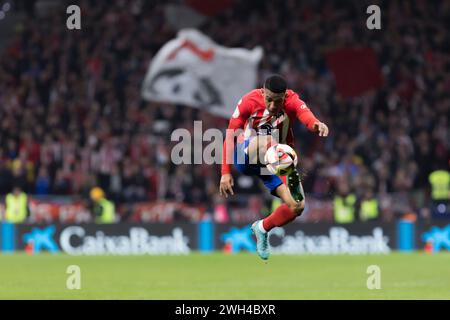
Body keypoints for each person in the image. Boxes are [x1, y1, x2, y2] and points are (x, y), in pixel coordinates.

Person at [219, 75, 329, 260]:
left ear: (284, 96)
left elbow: (305, 115)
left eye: (277, 101)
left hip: (273, 163)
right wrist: (225, 172)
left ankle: (262, 228)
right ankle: (278, 157)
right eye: (268, 99)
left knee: (297, 205)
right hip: (246, 156)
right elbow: (230, 136)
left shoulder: (292, 100)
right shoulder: (249, 101)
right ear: (263, 92)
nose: (271, 106)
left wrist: (315, 124)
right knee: (269, 141)